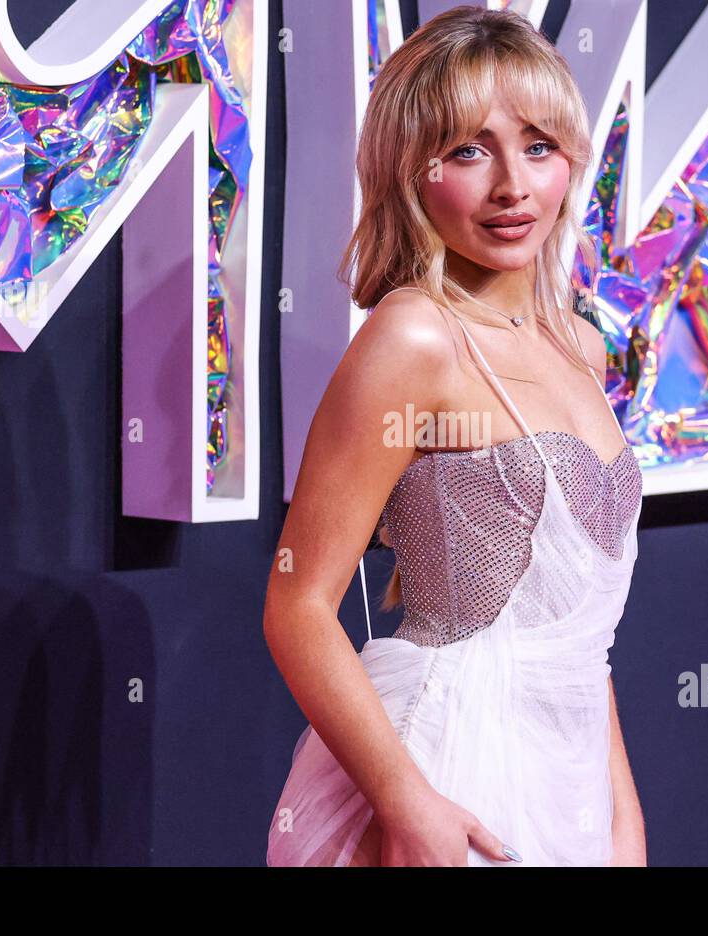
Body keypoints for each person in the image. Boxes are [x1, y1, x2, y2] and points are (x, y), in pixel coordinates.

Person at [264, 5, 645, 866]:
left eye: (539, 147)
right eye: (470, 151)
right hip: (444, 758)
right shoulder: (414, 338)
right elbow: (298, 603)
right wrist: (406, 801)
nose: (514, 186)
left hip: (571, 775)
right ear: (411, 172)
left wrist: (625, 819)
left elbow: (579, 632)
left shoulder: (577, 344)